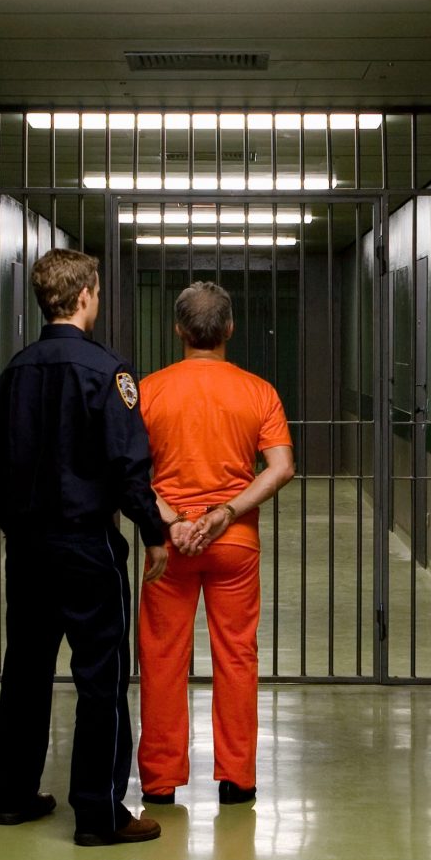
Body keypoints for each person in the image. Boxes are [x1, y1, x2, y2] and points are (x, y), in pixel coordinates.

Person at [0, 247, 174, 846]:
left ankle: (13, 795)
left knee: (26, 668)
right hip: (86, 544)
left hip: (28, 545)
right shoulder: (108, 371)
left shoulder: (16, 370)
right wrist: (154, 532)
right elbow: (128, 466)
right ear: (88, 294)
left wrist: (15, 523)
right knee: (101, 674)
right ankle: (99, 812)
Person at [135, 281, 296, 809]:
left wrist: (175, 520)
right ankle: (237, 778)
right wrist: (224, 512)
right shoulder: (258, 390)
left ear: (179, 330)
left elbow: (131, 471)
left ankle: (159, 783)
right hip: (235, 544)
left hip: (168, 546)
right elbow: (281, 467)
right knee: (236, 657)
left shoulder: (149, 389)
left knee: (162, 658)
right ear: (229, 329)